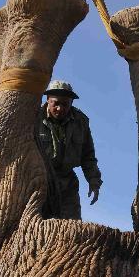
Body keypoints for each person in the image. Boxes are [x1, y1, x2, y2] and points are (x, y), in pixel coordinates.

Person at [35, 80, 102, 219]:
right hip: (39, 183)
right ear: (48, 100)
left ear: (71, 103)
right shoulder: (34, 117)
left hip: (67, 185)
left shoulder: (81, 122)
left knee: (71, 231)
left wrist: (94, 181)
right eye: (56, 103)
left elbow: (88, 155)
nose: (60, 108)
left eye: (65, 104)